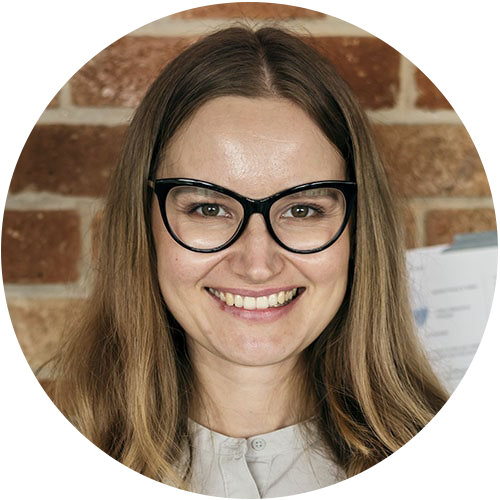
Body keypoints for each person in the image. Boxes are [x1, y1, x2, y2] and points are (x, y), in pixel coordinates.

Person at [1, 26, 497, 499]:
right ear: (143, 226)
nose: (257, 263)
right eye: (208, 209)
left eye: (302, 210)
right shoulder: (42, 478)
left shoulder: (471, 484)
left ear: (358, 233)